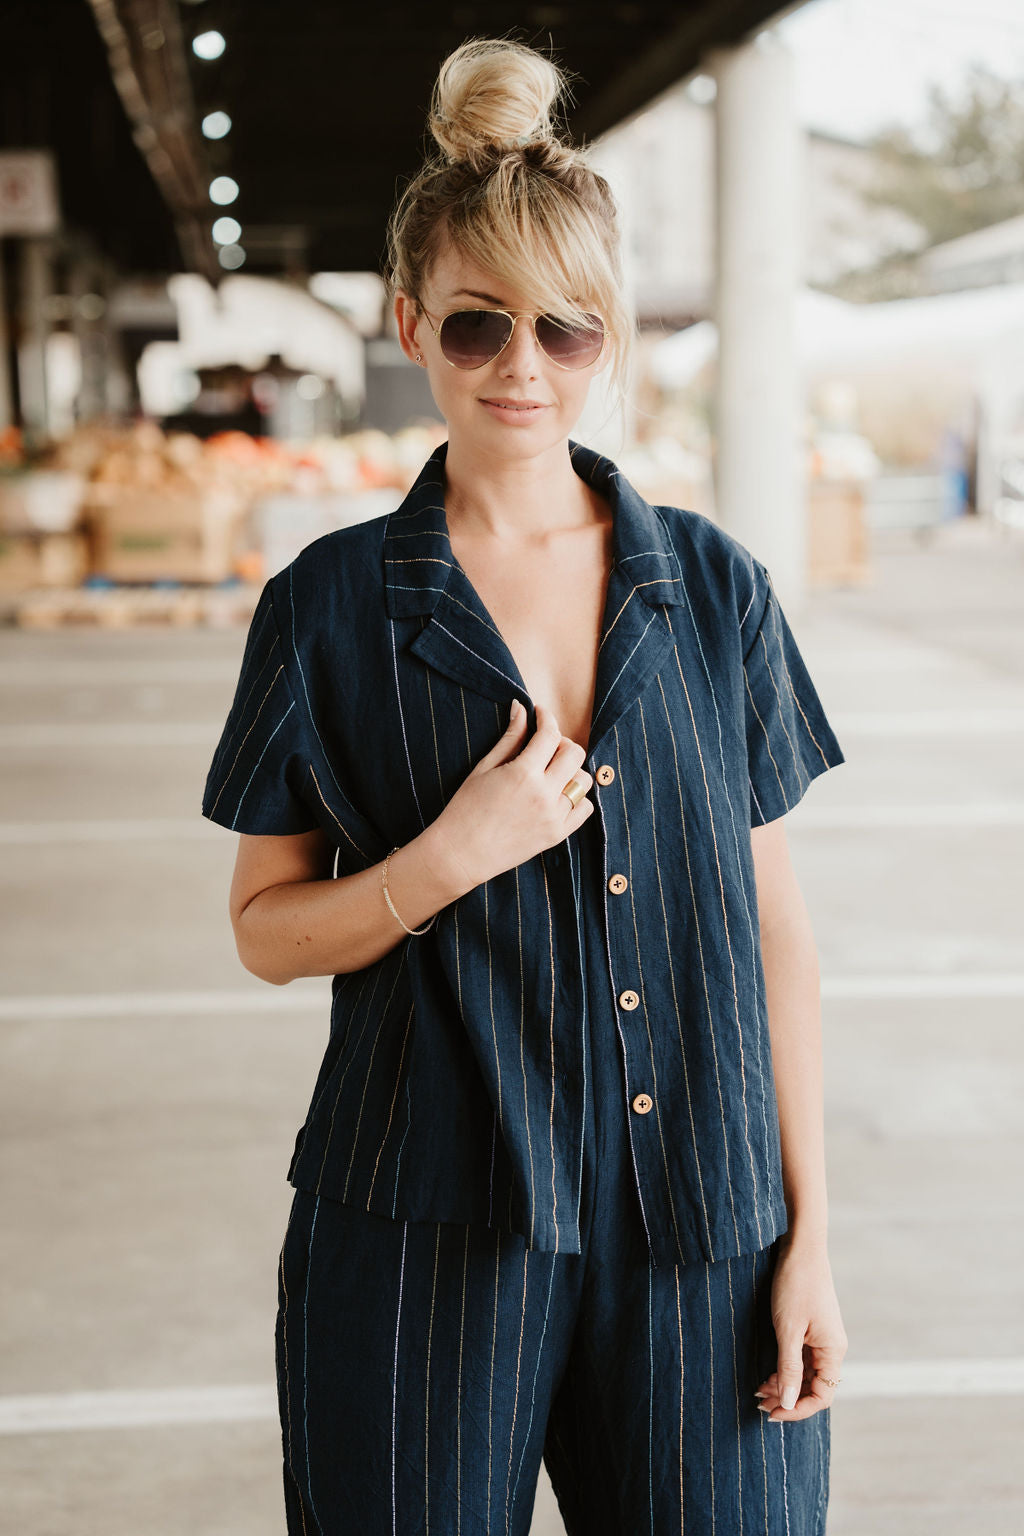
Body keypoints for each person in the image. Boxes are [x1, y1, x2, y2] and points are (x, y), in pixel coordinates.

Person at [202, 34, 849, 1536]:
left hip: (704, 1231)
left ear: (607, 337)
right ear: (413, 320)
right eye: (483, 325)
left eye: (567, 331)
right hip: (424, 1231)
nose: (522, 367)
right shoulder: (329, 607)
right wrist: (447, 856)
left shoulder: (717, 593)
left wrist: (811, 1231)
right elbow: (263, 928)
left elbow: (775, 942)